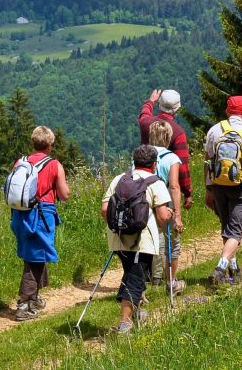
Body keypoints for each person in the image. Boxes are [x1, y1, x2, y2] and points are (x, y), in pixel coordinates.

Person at [101, 144, 174, 334]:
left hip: (117, 239)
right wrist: (171, 213)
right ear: (154, 164)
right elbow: (162, 217)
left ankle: (137, 314)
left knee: (131, 275)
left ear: (134, 161)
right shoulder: (155, 182)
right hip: (142, 241)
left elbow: (104, 209)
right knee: (135, 280)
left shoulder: (119, 179)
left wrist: (120, 226)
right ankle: (125, 324)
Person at [203, 96, 242, 286]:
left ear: (227, 111)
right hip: (241, 186)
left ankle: (234, 267)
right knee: (236, 230)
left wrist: (208, 190)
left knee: (227, 226)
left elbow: (207, 163)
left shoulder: (214, 130)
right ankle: (221, 268)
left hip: (217, 185)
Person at [10, 126, 71, 321]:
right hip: (42, 214)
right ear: (50, 145)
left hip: (20, 214)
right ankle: (24, 304)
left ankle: (34, 298)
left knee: (34, 254)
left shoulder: (21, 162)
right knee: (36, 258)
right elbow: (64, 194)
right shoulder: (54, 164)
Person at [146, 120, 186, 295]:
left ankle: (153, 279)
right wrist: (177, 215)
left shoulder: (142, 155)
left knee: (151, 240)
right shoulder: (171, 158)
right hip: (165, 203)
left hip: (145, 205)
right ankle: (171, 282)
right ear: (169, 138)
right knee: (172, 242)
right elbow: (175, 186)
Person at [138, 89, 193, 211]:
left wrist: (150, 101)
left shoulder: (145, 123)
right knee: (165, 220)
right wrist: (187, 192)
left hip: (141, 182)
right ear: (177, 109)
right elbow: (182, 166)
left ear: (159, 104)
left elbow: (144, 113)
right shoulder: (178, 133)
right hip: (165, 186)